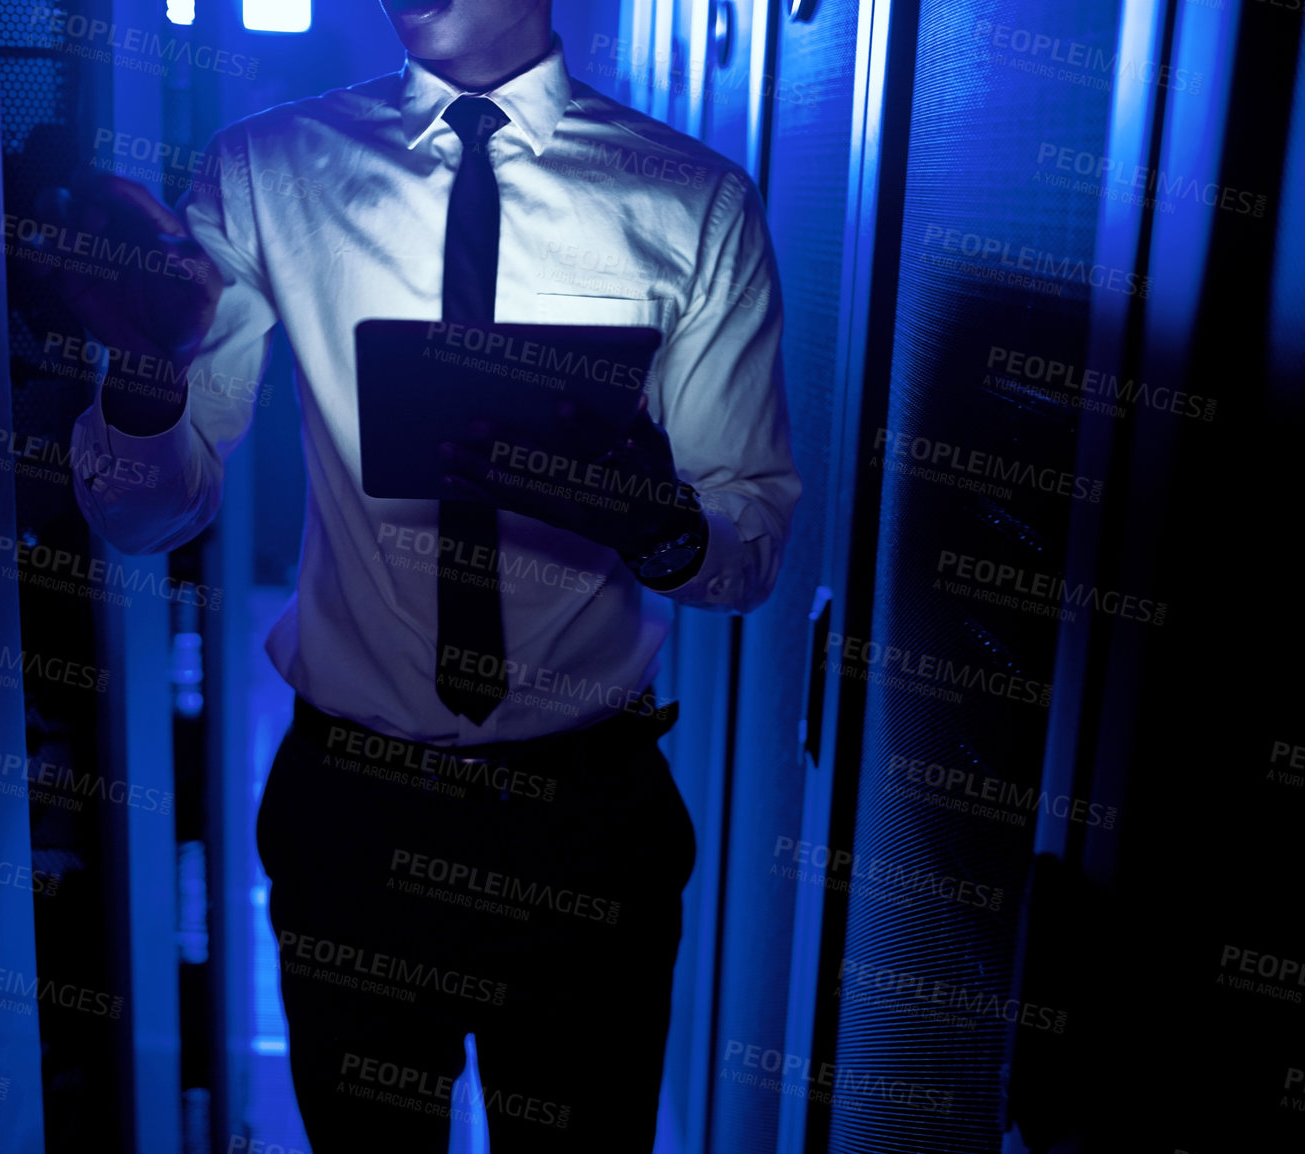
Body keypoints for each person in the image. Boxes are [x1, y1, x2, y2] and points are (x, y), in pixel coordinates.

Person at [54, 1, 800, 1148]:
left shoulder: (690, 196)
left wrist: (651, 518)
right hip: (352, 817)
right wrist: (146, 367)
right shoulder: (266, 167)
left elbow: (745, 546)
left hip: (583, 830)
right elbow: (149, 515)